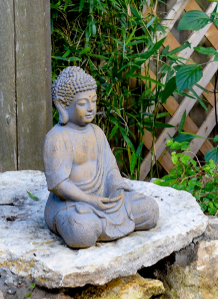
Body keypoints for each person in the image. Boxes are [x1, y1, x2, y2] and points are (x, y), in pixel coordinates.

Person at [42, 66, 159, 248]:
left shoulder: (97, 133)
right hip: (71, 205)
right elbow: (58, 185)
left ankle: (103, 225)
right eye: (82, 103)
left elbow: (110, 170)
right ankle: (95, 226)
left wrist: (116, 191)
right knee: (83, 231)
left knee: (150, 210)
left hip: (103, 199)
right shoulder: (56, 137)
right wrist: (90, 200)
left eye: (94, 101)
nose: (90, 108)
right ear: (62, 105)